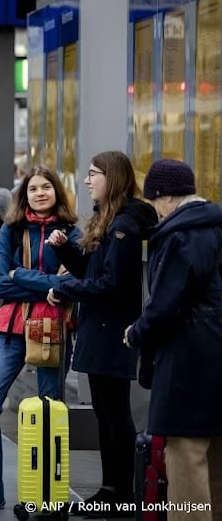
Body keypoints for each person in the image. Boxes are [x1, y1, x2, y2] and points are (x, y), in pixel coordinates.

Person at [0, 166, 80, 511]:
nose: (39, 193)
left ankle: (46, 495)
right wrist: (48, 283)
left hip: (53, 331)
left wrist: (20, 274)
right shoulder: (11, 229)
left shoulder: (71, 232)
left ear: (56, 192)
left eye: (46, 187)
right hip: (13, 327)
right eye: (33, 188)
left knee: (51, 411)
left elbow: (73, 282)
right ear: (25, 195)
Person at [46, 150, 157, 513]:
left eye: (94, 174)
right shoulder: (105, 219)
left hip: (111, 329)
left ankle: (120, 493)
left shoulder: (125, 224)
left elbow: (110, 284)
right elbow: (92, 273)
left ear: (112, 177)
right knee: (104, 412)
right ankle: (110, 490)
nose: (87, 180)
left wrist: (63, 289)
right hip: (99, 326)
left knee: (115, 413)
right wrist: (66, 253)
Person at [125, 159, 222, 521]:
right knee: (216, 456)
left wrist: (136, 333)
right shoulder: (216, 225)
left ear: (163, 196)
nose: (154, 212)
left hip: (187, 360)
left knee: (186, 455)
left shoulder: (176, 235)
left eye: (153, 203)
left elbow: (164, 307)